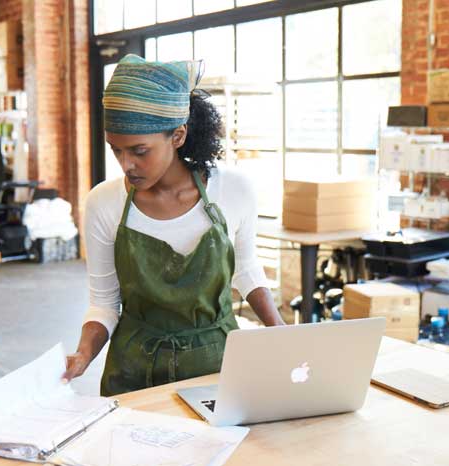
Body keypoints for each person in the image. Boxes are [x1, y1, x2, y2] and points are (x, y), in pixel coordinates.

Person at [61, 55, 285, 396]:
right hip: (133, 370)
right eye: (116, 150)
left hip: (216, 367)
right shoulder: (103, 202)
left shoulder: (234, 190)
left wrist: (281, 332)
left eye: (139, 151)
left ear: (177, 136)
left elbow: (246, 268)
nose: (126, 164)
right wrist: (83, 355)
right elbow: (105, 302)